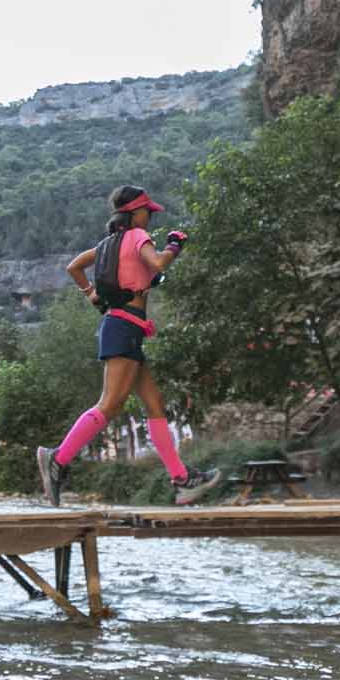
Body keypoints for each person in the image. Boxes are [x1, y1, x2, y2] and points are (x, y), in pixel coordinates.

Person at [36, 184, 223, 508]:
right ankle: (58, 459)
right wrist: (175, 245)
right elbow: (160, 263)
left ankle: (181, 481)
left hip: (125, 327)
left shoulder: (109, 243)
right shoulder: (136, 237)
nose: (150, 217)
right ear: (135, 213)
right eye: (148, 212)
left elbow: (74, 267)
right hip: (123, 327)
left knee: (154, 403)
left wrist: (92, 295)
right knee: (110, 405)